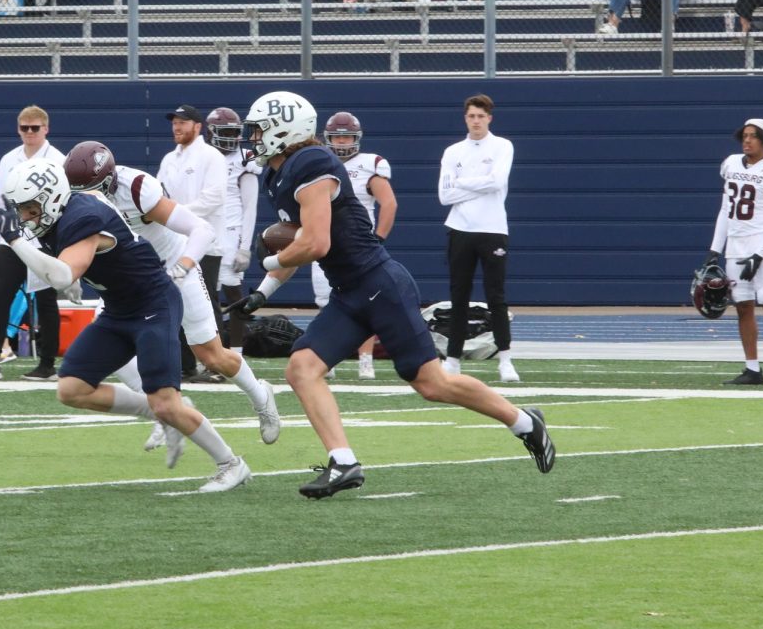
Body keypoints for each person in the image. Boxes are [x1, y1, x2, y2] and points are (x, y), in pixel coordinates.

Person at [226, 91, 555, 499]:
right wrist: (262, 293)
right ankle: (344, 463)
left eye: (258, 130)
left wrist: (269, 263)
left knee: (432, 384)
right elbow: (301, 244)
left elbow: (315, 244)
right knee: (301, 368)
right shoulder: (279, 175)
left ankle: (524, 422)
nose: (253, 138)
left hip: (379, 284)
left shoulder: (311, 163)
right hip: (350, 291)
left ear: (283, 129)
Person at [0, 159, 253, 493]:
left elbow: (61, 274)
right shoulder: (64, 213)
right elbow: (67, 266)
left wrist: (16, 242)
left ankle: (231, 464)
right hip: (120, 309)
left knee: (166, 401)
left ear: (52, 197)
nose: (26, 218)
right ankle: (153, 409)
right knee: (71, 388)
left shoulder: (83, 216)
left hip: (153, 304)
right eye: (21, 211)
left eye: (30, 209)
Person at [64, 140, 280, 454]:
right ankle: (162, 413)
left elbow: (202, 229)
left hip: (171, 269)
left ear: (109, 180)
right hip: (130, 280)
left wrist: (183, 266)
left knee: (211, 355)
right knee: (116, 351)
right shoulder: (75, 199)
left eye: (91, 189)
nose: (84, 199)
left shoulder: (137, 188)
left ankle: (262, 399)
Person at [0, 105, 64, 382]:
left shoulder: (59, 159)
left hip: (44, 239)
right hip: (13, 238)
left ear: (46, 129)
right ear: (18, 128)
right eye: (25, 128)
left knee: (46, 301)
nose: (30, 133)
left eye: (35, 128)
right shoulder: (10, 158)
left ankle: (47, 364)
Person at [437, 94, 519, 382]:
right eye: (471, 116)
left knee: (496, 296)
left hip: (493, 228)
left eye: (480, 116)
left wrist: (462, 183)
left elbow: (497, 181)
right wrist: (478, 185)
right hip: (460, 229)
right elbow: (445, 196)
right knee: (459, 296)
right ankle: (453, 359)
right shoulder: (452, 151)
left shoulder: (502, 146)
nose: (476, 121)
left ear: (489, 118)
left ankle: (505, 360)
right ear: (465, 118)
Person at [313, 111, 397, 380]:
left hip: (359, 244)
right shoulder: (318, 162)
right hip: (325, 241)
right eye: (336, 137)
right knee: (326, 302)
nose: (341, 142)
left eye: (346, 136)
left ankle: (365, 359)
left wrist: (379, 238)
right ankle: (329, 359)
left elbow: (389, 203)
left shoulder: (369, 164)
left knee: (365, 302)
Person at [156, 104, 228, 382]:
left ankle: (216, 367)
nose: (177, 127)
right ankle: (185, 365)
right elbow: (159, 197)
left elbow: (214, 198)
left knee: (208, 301)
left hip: (206, 242)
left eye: (183, 122)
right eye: (174, 122)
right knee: (175, 300)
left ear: (198, 127)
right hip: (175, 245)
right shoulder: (168, 159)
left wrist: (178, 216)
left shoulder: (211, 156)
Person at [702, 118, 763, 385]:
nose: (747, 140)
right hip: (735, 245)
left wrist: (759, 253)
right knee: (743, 306)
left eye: (753, 136)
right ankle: (752, 369)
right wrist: (714, 249)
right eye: (744, 135)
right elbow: (725, 210)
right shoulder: (731, 164)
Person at [205, 107, 260, 352]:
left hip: (230, 232)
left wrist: (245, 248)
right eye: (225, 131)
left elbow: (250, 207)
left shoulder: (245, 158)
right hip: (204, 232)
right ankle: (212, 351)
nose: (231, 137)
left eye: (234, 132)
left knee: (233, 293)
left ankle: (236, 352)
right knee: (207, 297)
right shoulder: (201, 156)